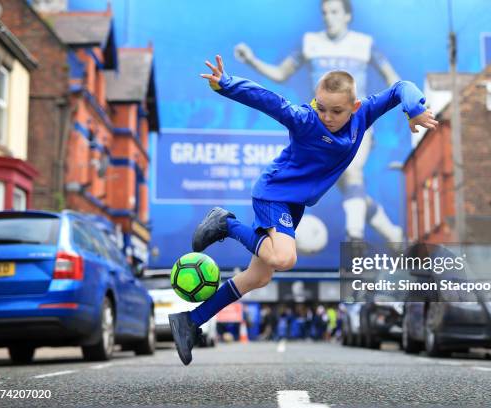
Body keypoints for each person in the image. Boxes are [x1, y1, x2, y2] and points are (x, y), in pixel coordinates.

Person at [168, 55, 436, 365]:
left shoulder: (363, 117)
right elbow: (271, 101)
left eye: (336, 111)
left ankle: (189, 321)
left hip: (293, 204)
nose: (327, 116)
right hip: (274, 194)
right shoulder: (307, 120)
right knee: (283, 257)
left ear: (355, 107)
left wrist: (414, 109)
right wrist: (226, 84)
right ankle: (226, 223)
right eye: (321, 107)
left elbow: (401, 87)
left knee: (258, 277)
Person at [235, 0, 403, 245]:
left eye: (335, 12)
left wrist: (406, 102)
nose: (328, 17)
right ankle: (392, 233)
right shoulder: (310, 42)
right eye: (324, 12)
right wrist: (251, 60)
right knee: (349, 187)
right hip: (319, 127)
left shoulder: (364, 44)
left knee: (352, 172)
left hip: (354, 125)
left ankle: (354, 237)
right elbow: (281, 74)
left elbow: (392, 78)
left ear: (347, 16)